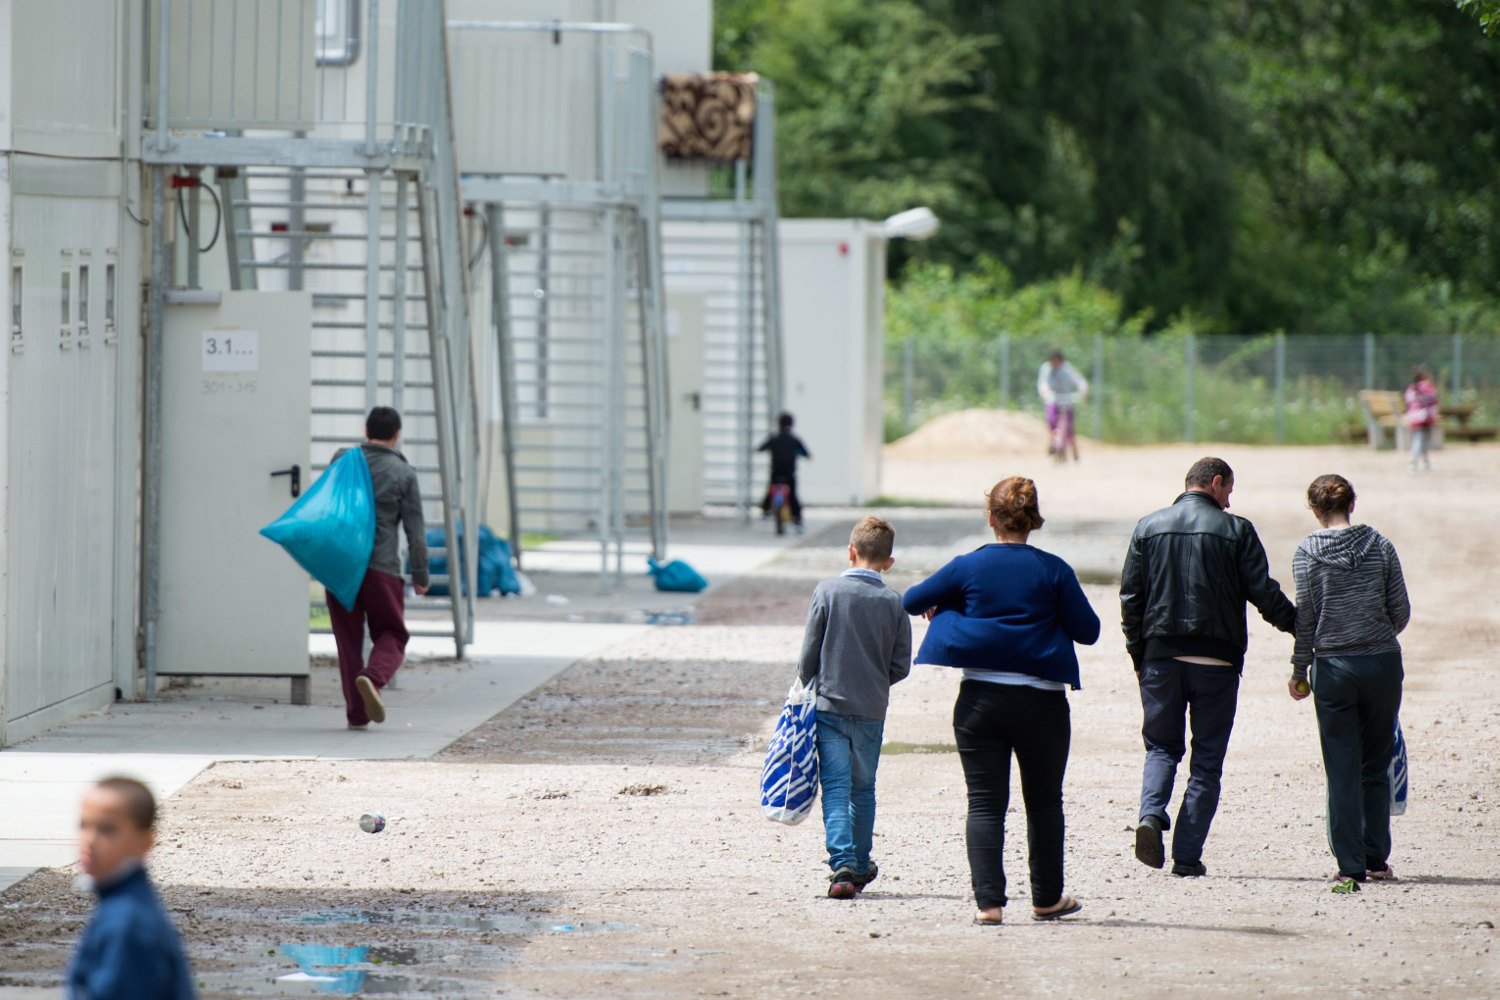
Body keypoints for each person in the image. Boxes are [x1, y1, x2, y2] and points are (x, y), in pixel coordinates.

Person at [903, 478, 1100, 924]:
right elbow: (1088, 631)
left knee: (985, 802)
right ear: (1033, 521)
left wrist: (950, 608)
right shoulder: (1054, 570)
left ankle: (989, 905)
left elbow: (912, 600)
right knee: (1045, 802)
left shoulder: (967, 566)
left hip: (980, 701)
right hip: (1043, 705)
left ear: (990, 518)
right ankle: (1047, 899)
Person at [1121, 457, 1296, 878]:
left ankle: (1150, 815)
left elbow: (1131, 598)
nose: (1230, 500)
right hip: (1217, 661)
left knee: (1161, 747)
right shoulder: (1236, 530)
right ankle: (1186, 856)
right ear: (1216, 483)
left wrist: (1138, 656)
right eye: (1229, 491)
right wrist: (1299, 626)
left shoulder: (1148, 526)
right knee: (1207, 761)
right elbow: (1262, 591)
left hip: (1161, 657)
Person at [1287, 475, 1409, 894]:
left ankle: (1350, 866)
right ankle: (1377, 858)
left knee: (1341, 767)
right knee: (1376, 763)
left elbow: (1305, 620)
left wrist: (1300, 669)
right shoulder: (1380, 545)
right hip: (1381, 663)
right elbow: (1401, 611)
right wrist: (1375, 633)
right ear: (1352, 503)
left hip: (1334, 668)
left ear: (1315, 509)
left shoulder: (1307, 552)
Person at [796, 516, 912, 899]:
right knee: (863, 789)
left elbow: (808, 656)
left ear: (850, 552)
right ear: (888, 562)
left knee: (835, 786)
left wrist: (811, 683)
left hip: (829, 706)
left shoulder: (827, 592)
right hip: (872, 709)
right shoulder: (895, 602)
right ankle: (861, 864)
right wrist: (875, 683)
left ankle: (842, 864)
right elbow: (900, 666)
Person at [329, 406, 429, 730]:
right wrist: (421, 576)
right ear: (397, 434)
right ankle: (373, 677)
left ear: (365, 429)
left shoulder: (344, 460)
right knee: (392, 632)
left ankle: (357, 715)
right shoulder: (404, 474)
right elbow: (415, 532)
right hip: (381, 567)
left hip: (341, 563)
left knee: (348, 640)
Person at [67, 776, 196, 999]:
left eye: (107, 829)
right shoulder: (124, 904)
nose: (90, 839)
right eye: (84, 825)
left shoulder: (126, 923)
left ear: (145, 842)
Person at [758, 412, 810, 531]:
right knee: (793, 496)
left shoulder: (774, 438)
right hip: (789, 474)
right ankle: (797, 519)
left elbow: (762, 448)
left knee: (770, 490)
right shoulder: (794, 439)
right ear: (792, 424)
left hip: (776, 473)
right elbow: (805, 453)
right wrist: (807, 456)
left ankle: (765, 510)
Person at [1036, 350, 1089, 462]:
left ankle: (1074, 448)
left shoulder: (1067, 369)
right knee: (1051, 422)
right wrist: (1043, 390)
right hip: (1052, 399)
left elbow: (1079, 380)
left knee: (1069, 428)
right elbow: (1042, 383)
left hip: (1067, 399)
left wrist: (1083, 390)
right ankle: (1053, 440)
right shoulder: (1046, 368)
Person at [1403, 367, 1439, 474]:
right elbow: (1434, 399)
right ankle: (1416, 462)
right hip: (1425, 417)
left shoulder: (1412, 387)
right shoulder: (1428, 386)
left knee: (1418, 440)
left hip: (1414, 417)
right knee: (1423, 440)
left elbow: (1408, 401)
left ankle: (1421, 461)